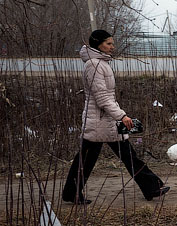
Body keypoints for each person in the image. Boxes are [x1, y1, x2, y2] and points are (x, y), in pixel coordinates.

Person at [62, 29, 169, 205]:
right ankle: (71, 192)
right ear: (98, 44)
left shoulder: (100, 63)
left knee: (127, 156)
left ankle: (152, 188)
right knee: (87, 160)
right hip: (98, 121)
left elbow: (106, 97)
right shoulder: (94, 65)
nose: (113, 46)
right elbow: (102, 97)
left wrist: (118, 116)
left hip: (107, 120)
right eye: (108, 43)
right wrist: (122, 116)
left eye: (112, 43)